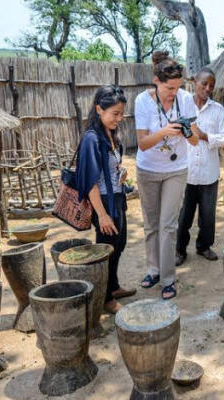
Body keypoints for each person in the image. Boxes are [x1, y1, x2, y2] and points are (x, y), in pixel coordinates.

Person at [134, 50, 201, 300]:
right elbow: (142, 143)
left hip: (175, 169)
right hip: (148, 169)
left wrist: (185, 133)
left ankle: (168, 278)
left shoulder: (185, 99)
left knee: (168, 225)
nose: (174, 93)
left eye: (177, 87)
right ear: (156, 81)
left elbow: (195, 140)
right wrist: (164, 131)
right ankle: (153, 270)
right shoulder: (142, 101)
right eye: (169, 88)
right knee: (151, 224)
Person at [76, 85, 136, 314]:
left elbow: (109, 168)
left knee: (118, 245)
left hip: (116, 198)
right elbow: (90, 182)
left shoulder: (110, 134)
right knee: (106, 248)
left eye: (121, 114)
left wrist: (120, 172)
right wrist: (101, 215)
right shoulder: (91, 139)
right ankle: (105, 298)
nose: (119, 119)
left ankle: (113, 286)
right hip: (102, 202)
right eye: (115, 114)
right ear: (99, 109)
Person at [175, 67, 224, 266]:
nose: (207, 88)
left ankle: (204, 246)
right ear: (194, 82)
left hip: (209, 172)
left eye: (211, 86)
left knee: (208, 215)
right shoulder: (181, 106)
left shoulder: (217, 110)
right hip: (186, 172)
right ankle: (179, 249)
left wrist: (204, 136)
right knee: (184, 214)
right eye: (204, 84)